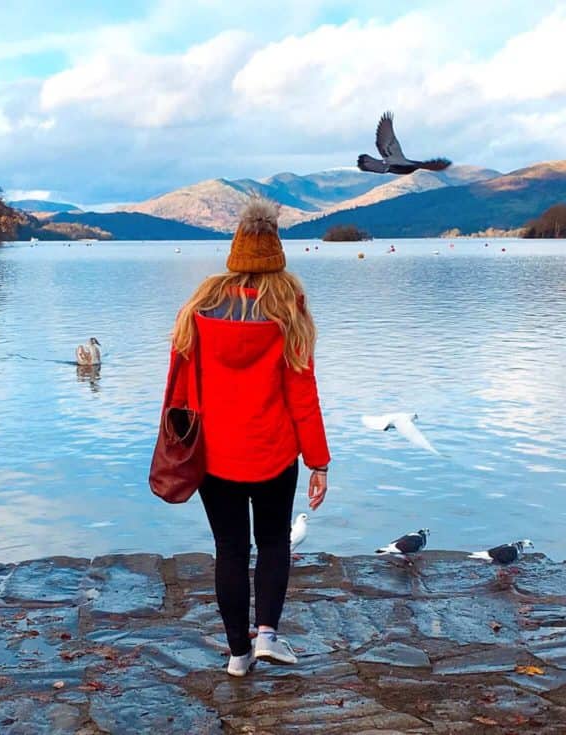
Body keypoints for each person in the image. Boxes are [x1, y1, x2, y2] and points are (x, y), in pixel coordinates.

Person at [166, 197, 331, 677]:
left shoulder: (199, 305)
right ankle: (267, 639)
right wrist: (318, 461)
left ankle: (238, 655)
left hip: (214, 456)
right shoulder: (289, 308)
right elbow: (303, 393)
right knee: (274, 543)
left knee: (230, 551)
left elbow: (180, 386)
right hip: (275, 453)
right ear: (276, 252)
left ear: (234, 251)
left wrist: (178, 445)